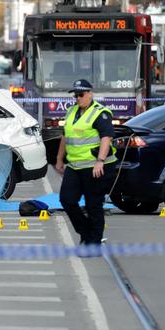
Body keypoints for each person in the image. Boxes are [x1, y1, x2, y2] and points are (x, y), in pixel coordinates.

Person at [55, 79, 117, 252]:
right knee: (67, 200)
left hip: (95, 167)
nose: (78, 98)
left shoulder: (100, 113)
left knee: (93, 205)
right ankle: (86, 232)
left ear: (90, 93)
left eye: (81, 95)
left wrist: (100, 161)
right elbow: (65, 137)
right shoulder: (71, 112)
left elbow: (107, 138)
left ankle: (93, 243)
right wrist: (59, 159)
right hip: (75, 166)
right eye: (75, 95)